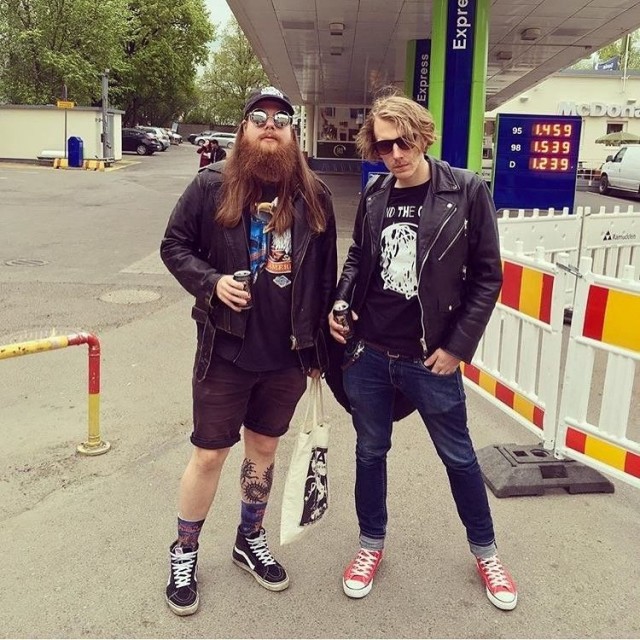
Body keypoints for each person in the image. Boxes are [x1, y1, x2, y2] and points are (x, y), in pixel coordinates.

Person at [328, 92, 518, 611]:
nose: (395, 154)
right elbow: (359, 256)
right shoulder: (376, 193)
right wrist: (341, 301)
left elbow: (488, 277)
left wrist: (457, 347)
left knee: (458, 456)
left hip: (430, 359)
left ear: (422, 136)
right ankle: (371, 544)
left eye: (404, 141)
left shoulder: (466, 190)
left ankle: (486, 553)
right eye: (384, 146)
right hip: (368, 354)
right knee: (370, 453)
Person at [160, 85, 337, 616]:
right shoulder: (211, 185)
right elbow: (174, 245)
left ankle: (248, 539)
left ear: (292, 133)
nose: (269, 125)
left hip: (287, 355)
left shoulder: (314, 195)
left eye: (281, 119)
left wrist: (319, 352)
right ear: (244, 129)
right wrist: (211, 282)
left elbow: (323, 278)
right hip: (226, 348)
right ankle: (184, 550)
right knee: (209, 455)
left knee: (263, 450)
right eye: (259, 117)